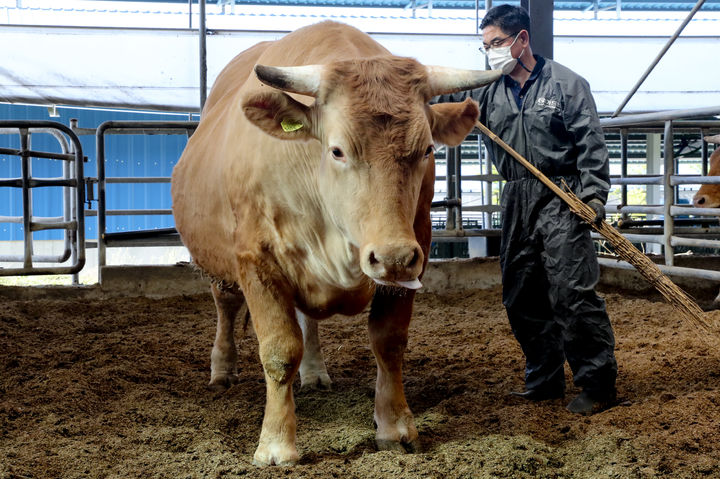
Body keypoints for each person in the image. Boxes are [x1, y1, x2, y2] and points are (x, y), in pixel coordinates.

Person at [433, 4, 617, 415]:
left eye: (497, 43)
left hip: (562, 196)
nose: (491, 52)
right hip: (515, 197)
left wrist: (594, 196)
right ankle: (544, 378)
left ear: (522, 40)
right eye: (485, 46)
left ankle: (598, 383)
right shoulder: (485, 89)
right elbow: (437, 96)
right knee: (520, 295)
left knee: (571, 293)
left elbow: (591, 143)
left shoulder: (567, 85)